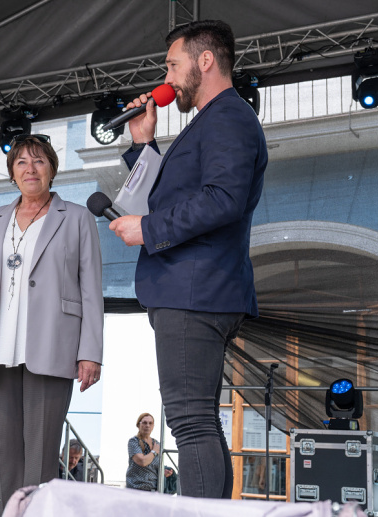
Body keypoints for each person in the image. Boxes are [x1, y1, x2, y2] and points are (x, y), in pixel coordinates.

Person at [109, 20, 267, 499]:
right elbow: (170, 195)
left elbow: (223, 199)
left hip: (195, 288)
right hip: (195, 288)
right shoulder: (211, 120)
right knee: (199, 421)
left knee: (190, 421)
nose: (168, 78)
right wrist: (143, 144)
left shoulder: (227, 117)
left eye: (173, 65)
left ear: (206, 60)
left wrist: (148, 229)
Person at [0, 134, 104, 504]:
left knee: (41, 452)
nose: (30, 169)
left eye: (39, 161)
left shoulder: (77, 218)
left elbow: (91, 289)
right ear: (12, 172)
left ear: (52, 169)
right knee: (7, 451)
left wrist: (90, 352)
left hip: (53, 345)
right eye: (22, 162)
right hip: (0, 349)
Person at [126, 413, 177, 494]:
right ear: (138, 425)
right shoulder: (134, 441)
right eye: (144, 423)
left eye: (150, 423)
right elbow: (142, 461)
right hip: (136, 490)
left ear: (153, 426)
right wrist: (154, 451)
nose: (147, 425)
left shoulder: (156, 444)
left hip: (153, 491)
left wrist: (163, 472)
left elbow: (153, 466)